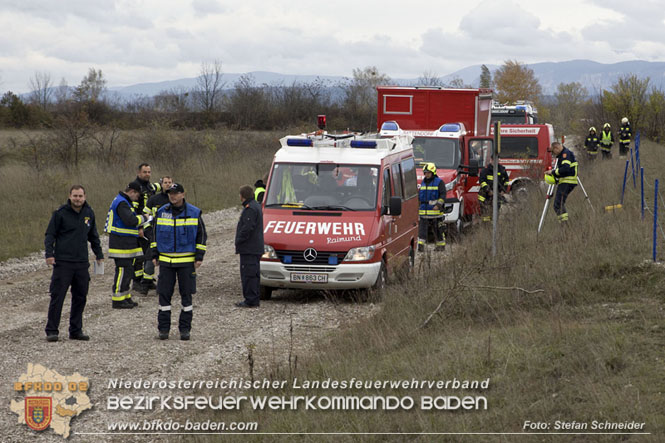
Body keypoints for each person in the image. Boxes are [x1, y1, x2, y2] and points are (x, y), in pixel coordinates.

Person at [44, 185, 104, 342]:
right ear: (70, 196)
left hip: (82, 263)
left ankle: (76, 330)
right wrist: (49, 254)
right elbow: (50, 235)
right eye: (75, 196)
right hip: (63, 262)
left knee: (80, 297)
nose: (78, 199)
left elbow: (93, 236)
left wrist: (99, 254)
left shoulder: (89, 213)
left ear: (85, 196)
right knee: (58, 297)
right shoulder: (60, 213)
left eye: (80, 196)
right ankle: (52, 330)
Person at [150, 183, 207, 340]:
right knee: (164, 297)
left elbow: (201, 236)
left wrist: (199, 256)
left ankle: (185, 330)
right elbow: (154, 235)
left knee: (186, 297)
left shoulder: (194, 213)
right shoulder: (161, 212)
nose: (172, 196)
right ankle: (163, 330)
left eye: (175, 193)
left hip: (187, 263)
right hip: (166, 263)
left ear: (183, 194)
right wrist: (154, 253)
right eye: (170, 193)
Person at [105, 182, 150, 309]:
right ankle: (118, 299)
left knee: (129, 270)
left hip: (126, 242)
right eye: (137, 195)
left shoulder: (124, 201)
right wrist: (145, 218)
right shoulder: (122, 202)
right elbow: (131, 220)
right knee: (123, 269)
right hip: (120, 243)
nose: (137, 198)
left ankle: (125, 296)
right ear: (132, 192)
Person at [138, 175, 173, 295]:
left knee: (167, 260)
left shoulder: (174, 199)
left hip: (170, 234)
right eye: (165, 182)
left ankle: (163, 285)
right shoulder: (154, 199)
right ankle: (145, 283)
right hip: (154, 233)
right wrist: (146, 230)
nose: (168, 184)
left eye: (170, 182)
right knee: (150, 257)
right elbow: (146, 216)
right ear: (161, 184)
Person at [130, 163, 160, 294]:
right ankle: (137, 281)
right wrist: (139, 227)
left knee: (148, 251)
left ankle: (146, 278)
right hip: (140, 225)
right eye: (145, 172)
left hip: (149, 224)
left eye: (149, 172)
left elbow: (158, 186)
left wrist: (168, 183)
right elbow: (134, 209)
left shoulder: (149, 186)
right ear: (138, 173)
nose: (147, 174)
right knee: (139, 255)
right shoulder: (136, 186)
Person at [235, 185, 264, 308]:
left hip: (249, 248)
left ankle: (251, 299)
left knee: (249, 275)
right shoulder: (255, 206)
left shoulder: (250, 208)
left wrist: (239, 241)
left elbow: (247, 228)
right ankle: (254, 298)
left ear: (242, 196)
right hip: (254, 247)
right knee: (253, 273)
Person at [545, 142, 578, 223]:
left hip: (567, 181)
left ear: (556, 148)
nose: (553, 154)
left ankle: (564, 225)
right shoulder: (563, 154)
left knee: (558, 204)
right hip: (565, 181)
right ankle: (564, 224)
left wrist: (552, 172)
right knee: (558, 204)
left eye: (553, 152)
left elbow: (565, 169)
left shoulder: (565, 154)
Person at [417, 163, 446, 252]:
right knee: (422, 231)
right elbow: (420, 196)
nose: (426, 174)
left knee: (438, 230)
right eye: (425, 173)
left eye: (428, 173)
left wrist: (438, 205)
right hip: (424, 212)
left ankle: (441, 246)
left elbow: (443, 195)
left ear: (433, 172)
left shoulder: (439, 182)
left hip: (435, 213)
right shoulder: (423, 182)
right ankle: (421, 246)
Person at [478, 155, 509, 223]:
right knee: (486, 212)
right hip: (485, 195)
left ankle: (495, 224)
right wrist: (488, 190)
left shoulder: (502, 169)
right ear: (491, 160)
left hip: (497, 193)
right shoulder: (485, 170)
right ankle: (486, 226)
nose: (496, 162)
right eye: (494, 160)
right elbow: (482, 181)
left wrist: (503, 190)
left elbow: (506, 180)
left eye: (497, 160)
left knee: (496, 210)